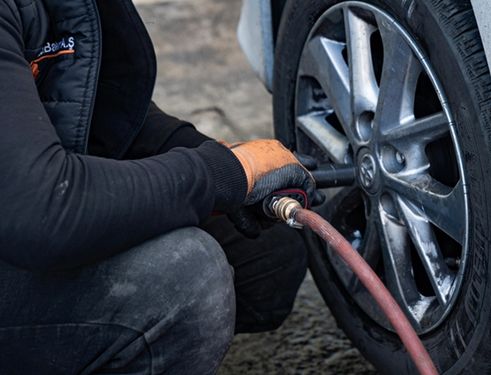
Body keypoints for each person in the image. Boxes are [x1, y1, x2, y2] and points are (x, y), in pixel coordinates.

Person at [0, 0, 314, 373]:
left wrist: (205, 154)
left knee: (265, 254)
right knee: (185, 280)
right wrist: (221, 174)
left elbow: (89, 103)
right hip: (29, 214)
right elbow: (44, 208)